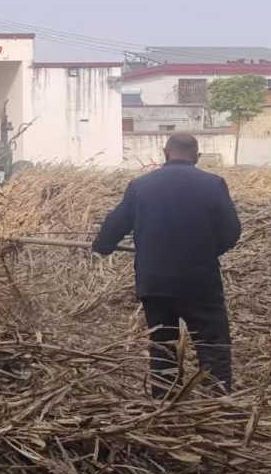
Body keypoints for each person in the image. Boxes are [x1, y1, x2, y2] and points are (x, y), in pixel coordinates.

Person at [92, 133, 241, 397]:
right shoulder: (214, 184)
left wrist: (102, 246)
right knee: (213, 346)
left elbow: (113, 228)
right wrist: (205, 251)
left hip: (155, 283)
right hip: (200, 281)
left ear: (165, 153)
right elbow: (231, 232)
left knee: (163, 346)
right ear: (197, 156)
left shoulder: (140, 186)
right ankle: (218, 405)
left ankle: (164, 405)